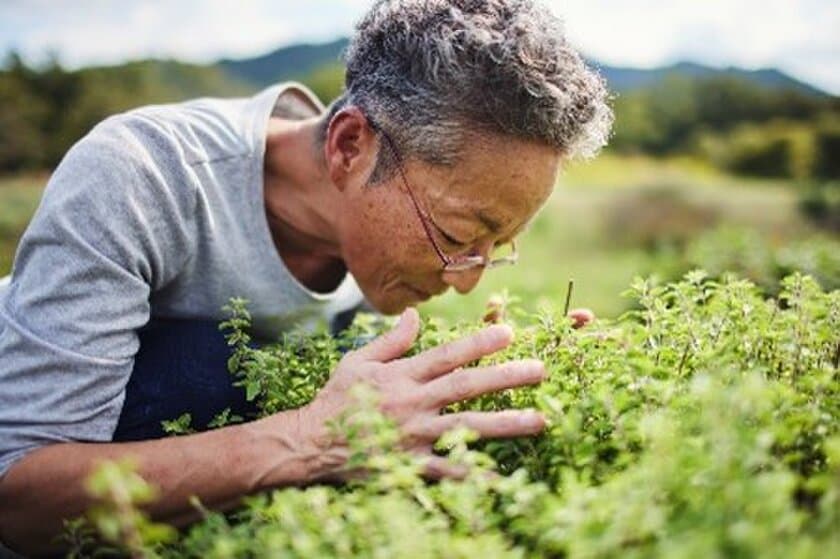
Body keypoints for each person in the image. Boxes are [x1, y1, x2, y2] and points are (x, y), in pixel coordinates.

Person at [0, 0, 612, 555]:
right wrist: (311, 440)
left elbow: (367, 400)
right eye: (455, 238)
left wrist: (524, 371)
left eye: (494, 248)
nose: (465, 282)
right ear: (350, 147)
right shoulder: (139, 178)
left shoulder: (382, 233)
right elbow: (21, 495)